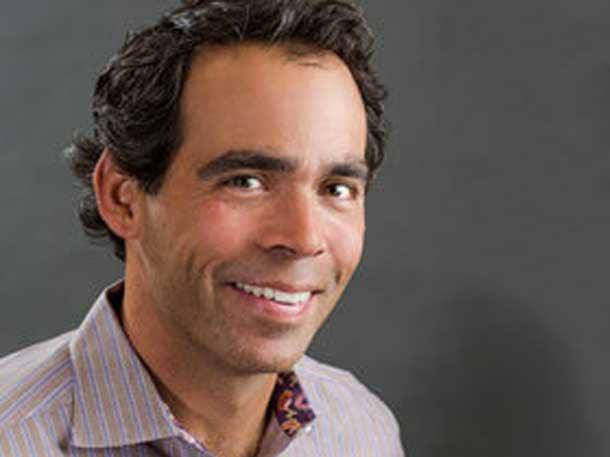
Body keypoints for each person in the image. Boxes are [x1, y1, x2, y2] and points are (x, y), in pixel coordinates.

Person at [0, 0, 404, 455]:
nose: (304, 239)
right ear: (122, 197)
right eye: (245, 182)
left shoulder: (361, 428)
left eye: (337, 189)